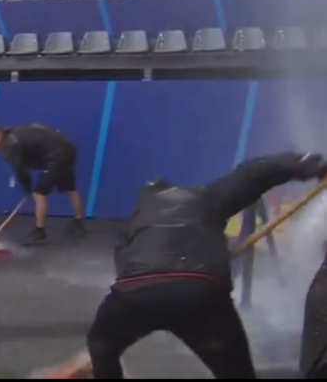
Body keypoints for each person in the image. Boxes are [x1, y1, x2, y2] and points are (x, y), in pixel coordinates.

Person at [86, 152, 327, 379]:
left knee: (101, 343)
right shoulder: (204, 197)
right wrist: (304, 164)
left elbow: (124, 263)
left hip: (137, 292)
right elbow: (254, 173)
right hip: (200, 291)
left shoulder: (135, 217)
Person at [0, 124, 86, 245]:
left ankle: (39, 232)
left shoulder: (10, 144)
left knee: (39, 193)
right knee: (70, 187)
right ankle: (79, 222)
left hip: (57, 156)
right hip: (67, 149)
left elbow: (20, 171)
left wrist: (28, 189)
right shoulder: (15, 133)